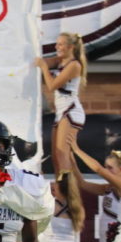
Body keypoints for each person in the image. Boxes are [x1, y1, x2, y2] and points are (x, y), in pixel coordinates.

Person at [35, 32, 87, 175]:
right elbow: (41, 61)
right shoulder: (60, 61)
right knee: (56, 156)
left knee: (62, 155)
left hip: (71, 111)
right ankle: (62, 191)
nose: (57, 46)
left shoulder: (74, 65)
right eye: (57, 43)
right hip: (61, 112)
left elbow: (52, 86)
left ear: (70, 47)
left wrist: (44, 68)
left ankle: (70, 192)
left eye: (61, 44)